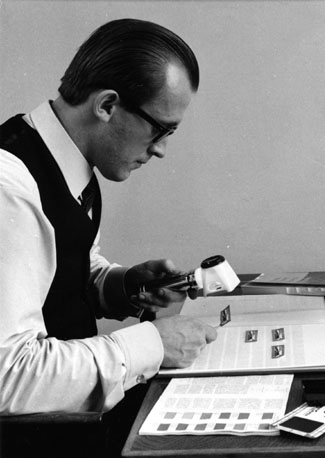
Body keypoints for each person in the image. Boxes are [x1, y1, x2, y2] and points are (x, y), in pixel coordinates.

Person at [0, 17, 217, 426]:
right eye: (160, 130)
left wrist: (120, 285)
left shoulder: (69, 162)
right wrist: (152, 345)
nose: (161, 150)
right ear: (107, 106)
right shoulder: (8, 188)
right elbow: (7, 376)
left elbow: (53, 278)